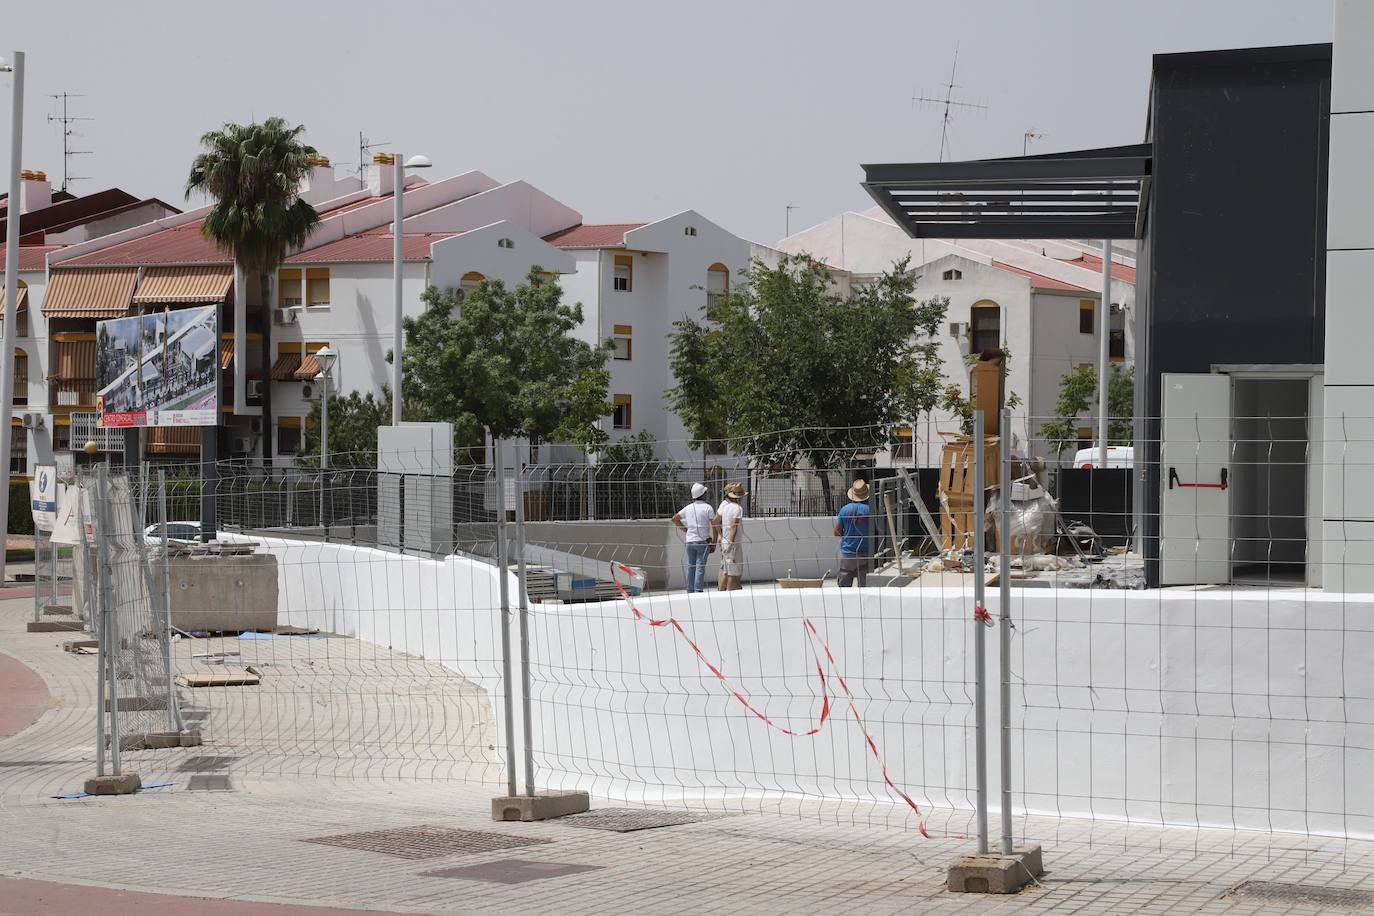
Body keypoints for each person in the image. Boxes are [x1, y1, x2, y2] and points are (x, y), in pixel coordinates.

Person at [672, 483, 716, 594]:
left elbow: (675, 519)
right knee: (700, 567)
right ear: (703, 494)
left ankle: (690, 590)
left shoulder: (688, 508)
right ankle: (698, 590)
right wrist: (714, 541)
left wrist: (687, 530)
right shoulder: (708, 508)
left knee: (691, 566)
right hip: (702, 541)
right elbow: (715, 525)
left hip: (690, 541)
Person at [834, 479, 872, 587]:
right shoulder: (870, 510)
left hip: (847, 553)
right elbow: (878, 530)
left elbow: (837, 531)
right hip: (864, 553)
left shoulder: (844, 510)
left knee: (844, 589)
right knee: (864, 588)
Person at [714, 482, 747, 591]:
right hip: (732, 543)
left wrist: (723, 536)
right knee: (733, 571)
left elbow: (717, 521)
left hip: (725, 541)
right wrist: (731, 542)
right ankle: (730, 594)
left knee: (725, 570)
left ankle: (721, 592)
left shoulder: (726, 507)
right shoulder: (737, 508)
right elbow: (734, 526)